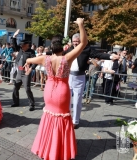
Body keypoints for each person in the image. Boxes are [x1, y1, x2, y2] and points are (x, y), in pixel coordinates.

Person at [24, 18, 88, 160]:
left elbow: (28, 60)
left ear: (51, 46)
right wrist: (80, 24)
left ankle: (46, 148)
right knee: (61, 119)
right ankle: (59, 150)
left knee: (49, 117)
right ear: (64, 46)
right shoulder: (67, 58)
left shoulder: (44, 58)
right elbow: (83, 43)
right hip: (62, 92)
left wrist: (27, 67)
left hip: (49, 90)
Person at [64, 34, 119, 129]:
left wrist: (110, 57)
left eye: (77, 41)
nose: (75, 43)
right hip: (68, 77)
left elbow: (98, 54)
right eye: (74, 41)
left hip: (80, 77)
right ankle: (66, 118)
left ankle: (75, 121)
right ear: (72, 41)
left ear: (81, 41)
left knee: (77, 101)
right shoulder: (68, 50)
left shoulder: (86, 49)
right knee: (67, 100)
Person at [10, 29, 37, 111]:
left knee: (27, 89)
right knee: (15, 88)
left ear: (27, 45)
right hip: (19, 72)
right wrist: (14, 36)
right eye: (21, 46)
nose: (21, 46)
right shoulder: (21, 50)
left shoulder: (31, 52)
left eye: (22, 45)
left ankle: (32, 104)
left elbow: (35, 61)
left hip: (26, 73)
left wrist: (31, 69)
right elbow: (14, 44)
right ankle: (16, 102)